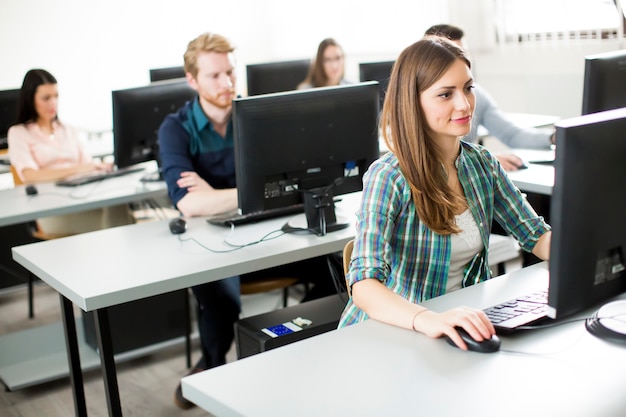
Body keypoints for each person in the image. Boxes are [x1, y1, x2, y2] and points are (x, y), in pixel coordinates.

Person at [158, 32, 337, 410]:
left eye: (230, 73)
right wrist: (251, 192)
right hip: (210, 247)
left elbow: (291, 183)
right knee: (222, 304)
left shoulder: (258, 116)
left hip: (269, 234)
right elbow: (189, 204)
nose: (226, 83)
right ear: (192, 80)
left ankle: (287, 353)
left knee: (335, 272)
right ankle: (210, 368)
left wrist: (217, 194)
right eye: (214, 76)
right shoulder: (176, 129)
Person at [337, 37, 551, 351]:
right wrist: (430, 319)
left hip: (457, 328)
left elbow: (535, 235)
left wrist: (597, 263)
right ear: (413, 101)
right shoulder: (390, 177)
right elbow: (364, 286)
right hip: (393, 335)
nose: (464, 104)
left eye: (468, 88)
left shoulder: (482, 164)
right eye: (445, 94)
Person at [8, 69, 132, 235]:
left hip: (82, 199)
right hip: (51, 210)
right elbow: (29, 175)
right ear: (30, 100)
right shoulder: (18, 133)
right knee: (117, 224)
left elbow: (88, 165)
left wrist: (100, 167)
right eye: (46, 98)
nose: (53, 103)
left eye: (56, 96)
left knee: (118, 204)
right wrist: (77, 169)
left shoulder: (68, 130)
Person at [424, 24, 555, 172]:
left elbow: (510, 134)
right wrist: (481, 160)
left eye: (461, 53)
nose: (463, 105)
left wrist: (554, 138)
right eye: (447, 55)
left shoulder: (476, 95)